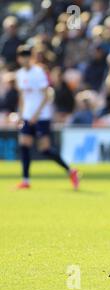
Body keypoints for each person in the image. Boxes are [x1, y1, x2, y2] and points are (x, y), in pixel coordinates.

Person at [15, 45, 80, 190]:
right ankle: (25, 180)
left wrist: (36, 115)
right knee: (24, 145)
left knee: (45, 149)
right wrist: (21, 115)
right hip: (27, 116)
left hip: (41, 116)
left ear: (30, 58)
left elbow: (47, 95)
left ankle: (71, 171)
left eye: (27, 56)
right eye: (22, 57)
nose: (24, 59)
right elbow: (22, 96)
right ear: (19, 58)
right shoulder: (19, 74)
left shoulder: (38, 72)